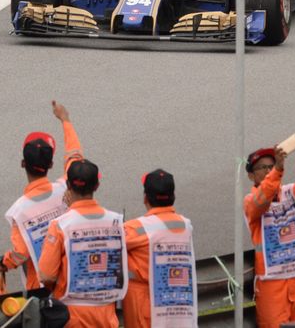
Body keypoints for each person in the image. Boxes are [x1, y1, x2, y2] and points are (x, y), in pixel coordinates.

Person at [37, 104, 129, 327]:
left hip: (72, 318)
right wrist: (66, 121)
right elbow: (75, 155)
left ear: (67, 185)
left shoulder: (60, 226)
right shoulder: (118, 222)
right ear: (97, 185)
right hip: (107, 318)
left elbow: (46, 275)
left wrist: (64, 120)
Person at [243, 139, 295, 328]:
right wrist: (278, 169)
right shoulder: (250, 200)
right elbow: (262, 199)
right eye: (263, 168)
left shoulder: (290, 193)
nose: (269, 170)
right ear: (251, 176)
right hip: (272, 280)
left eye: (271, 166)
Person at [0, 130, 68, 293]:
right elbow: (76, 161)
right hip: (69, 277)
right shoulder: (65, 189)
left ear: (23, 163)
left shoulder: (19, 210)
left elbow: (21, 253)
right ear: (51, 165)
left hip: (42, 287)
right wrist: (65, 121)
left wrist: (2, 264)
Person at [123, 169, 198, 328]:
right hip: (180, 305)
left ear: (145, 198)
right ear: (173, 196)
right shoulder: (186, 225)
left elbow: (110, 242)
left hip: (147, 307)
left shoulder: (135, 228)